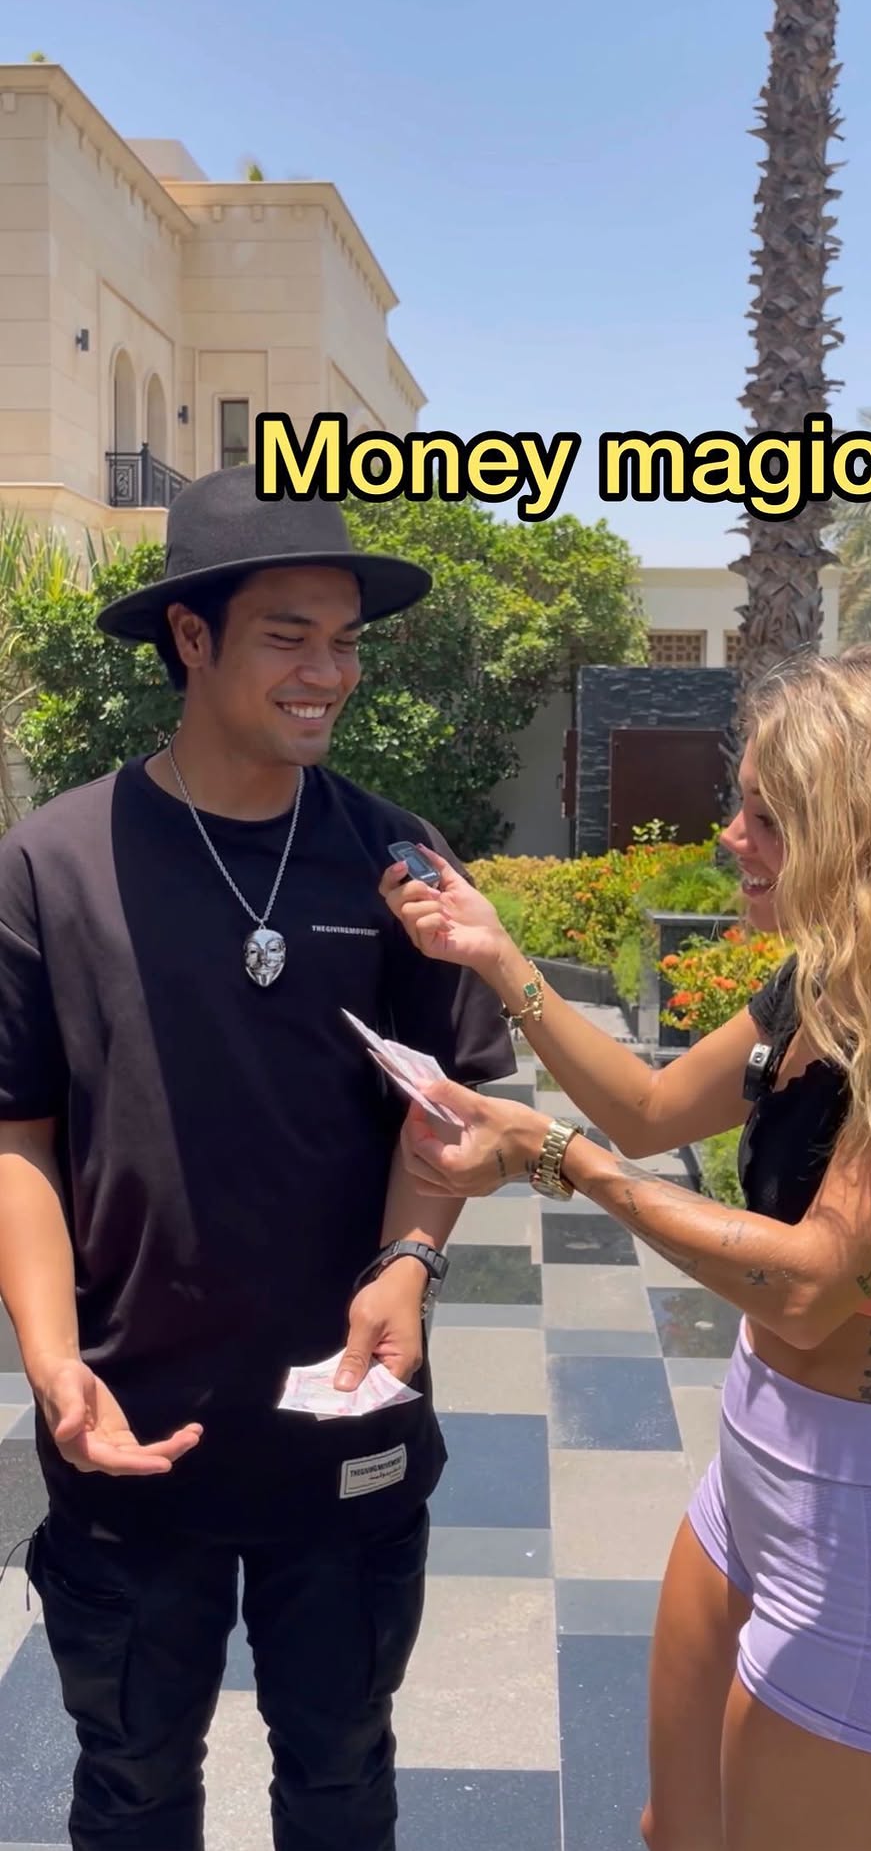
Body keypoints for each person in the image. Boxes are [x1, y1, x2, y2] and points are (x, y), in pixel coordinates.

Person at [377, 643, 871, 1851]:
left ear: (867, 829)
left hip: (870, 1531)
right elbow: (653, 1111)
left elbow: (808, 1286)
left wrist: (558, 1158)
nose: (730, 837)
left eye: (767, 815)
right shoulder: (832, 980)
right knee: (676, 1831)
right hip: (752, 1473)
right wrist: (498, 958)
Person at [0, 463, 516, 1851]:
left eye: (344, 640)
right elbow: (16, 1135)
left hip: (345, 1414)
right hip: (129, 1423)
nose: (327, 673)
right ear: (192, 635)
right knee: (130, 1786)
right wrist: (52, 1363)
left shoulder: (395, 858)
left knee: (341, 1776)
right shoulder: (55, 862)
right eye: (289, 636)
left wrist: (410, 1258)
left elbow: (443, 1112)